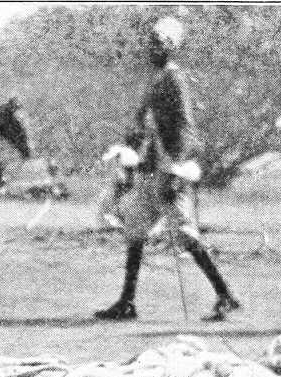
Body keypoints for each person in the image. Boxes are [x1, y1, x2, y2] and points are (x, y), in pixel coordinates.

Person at [94, 16, 241, 323]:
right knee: (135, 227)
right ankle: (127, 302)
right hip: (150, 168)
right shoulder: (155, 79)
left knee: (186, 234)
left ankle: (225, 295)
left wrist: (177, 172)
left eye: (159, 44)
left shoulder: (175, 79)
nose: (152, 48)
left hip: (171, 169)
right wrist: (127, 151)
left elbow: (185, 126)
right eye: (151, 43)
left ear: (171, 47)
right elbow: (140, 124)